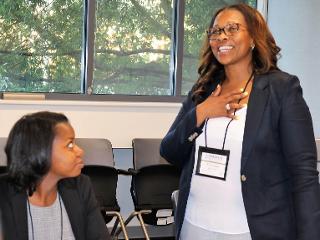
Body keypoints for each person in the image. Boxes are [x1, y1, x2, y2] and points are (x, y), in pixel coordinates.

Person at [160, 3, 320, 240]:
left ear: (254, 37)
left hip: (251, 228)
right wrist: (201, 112)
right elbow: (170, 150)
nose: (222, 36)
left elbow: (304, 174)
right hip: (194, 224)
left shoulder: (282, 89)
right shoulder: (203, 90)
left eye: (232, 28)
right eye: (215, 31)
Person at [0, 111, 111, 240]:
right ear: (40, 150)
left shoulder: (80, 186)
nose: (80, 151)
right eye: (70, 145)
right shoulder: (3, 193)